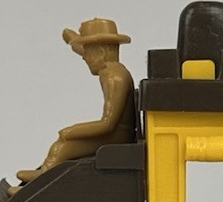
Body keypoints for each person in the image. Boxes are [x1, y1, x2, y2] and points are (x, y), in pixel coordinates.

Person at [15, 19, 134, 184]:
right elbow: (84, 51)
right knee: (62, 142)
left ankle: (42, 180)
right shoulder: (114, 69)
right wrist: (73, 39)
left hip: (117, 136)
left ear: (101, 52)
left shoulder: (114, 78)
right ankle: (44, 172)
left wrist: (73, 130)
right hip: (118, 132)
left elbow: (108, 124)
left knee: (63, 146)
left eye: (87, 53)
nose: (84, 58)